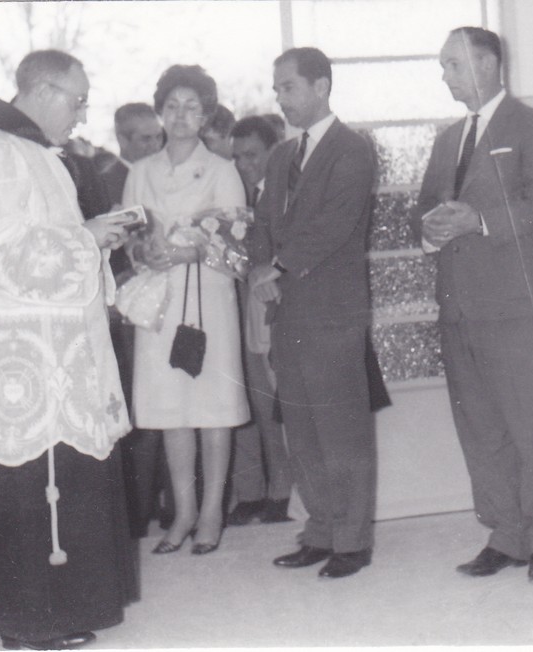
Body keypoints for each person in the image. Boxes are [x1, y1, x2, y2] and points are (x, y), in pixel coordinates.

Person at [0, 50, 137, 650]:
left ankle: (51, 611)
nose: (82, 115)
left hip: (46, 354)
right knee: (27, 490)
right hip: (17, 361)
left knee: (53, 487)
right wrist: (86, 238)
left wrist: (93, 243)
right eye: (77, 101)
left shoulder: (20, 149)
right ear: (44, 91)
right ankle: (29, 620)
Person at [410, 26, 533, 583]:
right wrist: (430, 229)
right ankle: (506, 535)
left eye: (452, 64)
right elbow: (424, 209)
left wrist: (480, 220)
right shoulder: (446, 140)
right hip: (458, 308)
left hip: (516, 306)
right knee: (481, 431)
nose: (444, 75)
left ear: (486, 63)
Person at [249, 47, 377, 579]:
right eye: (277, 88)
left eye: (289, 87)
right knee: (301, 431)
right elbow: (261, 223)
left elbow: (335, 224)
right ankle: (320, 531)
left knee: (341, 430)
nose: (280, 98)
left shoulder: (353, 149)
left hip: (333, 312)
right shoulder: (281, 156)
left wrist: (276, 267)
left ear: (321, 86)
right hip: (287, 313)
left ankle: (352, 540)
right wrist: (260, 268)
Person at [123, 64, 249, 556]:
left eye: (191, 107)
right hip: (158, 299)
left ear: (206, 115)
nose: (180, 116)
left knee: (212, 407)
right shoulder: (140, 172)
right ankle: (184, 511)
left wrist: (186, 251)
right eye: (172, 106)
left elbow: (235, 243)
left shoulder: (221, 171)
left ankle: (213, 511)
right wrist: (143, 252)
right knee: (171, 408)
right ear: (160, 112)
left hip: (207, 300)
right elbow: (128, 235)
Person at [101, 101, 174, 537]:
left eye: (157, 136)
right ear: (122, 139)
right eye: (144, 138)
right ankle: (138, 508)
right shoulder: (106, 179)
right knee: (137, 406)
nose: (153, 145)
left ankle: (168, 501)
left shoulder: (164, 172)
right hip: (124, 308)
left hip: (166, 299)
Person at [226, 115, 292, 526]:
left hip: (276, 307)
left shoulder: (286, 191)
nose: (244, 164)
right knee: (254, 402)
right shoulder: (242, 195)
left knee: (279, 404)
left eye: (252, 155)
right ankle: (256, 492)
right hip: (245, 308)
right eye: (237, 157)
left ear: (273, 150)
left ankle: (283, 491)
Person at [100, 102, 165, 206]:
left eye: (158, 137)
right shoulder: (104, 186)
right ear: (122, 141)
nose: (156, 146)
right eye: (146, 139)